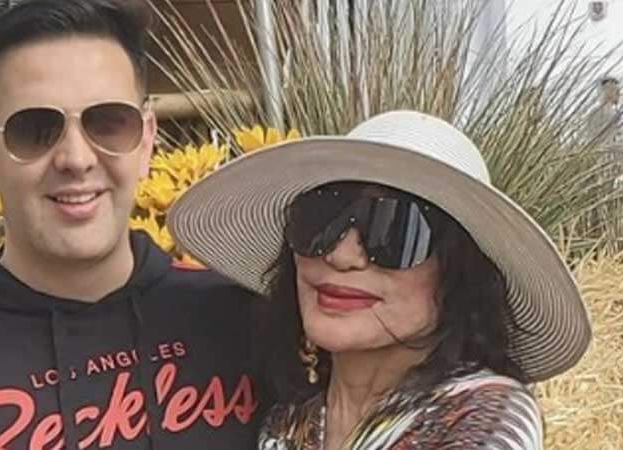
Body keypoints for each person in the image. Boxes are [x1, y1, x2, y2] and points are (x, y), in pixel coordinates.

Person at [0, 1, 264, 449]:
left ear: (145, 142)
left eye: (108, 123)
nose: (76, 159)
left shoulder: (242, 321)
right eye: (35, 129)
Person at [168, 110, 592, 449]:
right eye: (320, 221)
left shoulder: (484, 418)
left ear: (457, 273)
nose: (341, 256)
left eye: (395, 233)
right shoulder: (292, 422)